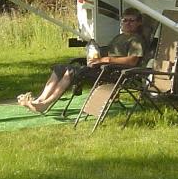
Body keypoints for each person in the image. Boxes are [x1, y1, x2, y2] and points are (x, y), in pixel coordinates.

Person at [18, 8, 147, 113]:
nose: (128, 23)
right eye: (125, 20)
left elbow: (132, 61)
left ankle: (45, 104)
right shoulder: (120, 37)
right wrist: (95, 54)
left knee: (70, 72)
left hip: (115, 73)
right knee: (59, 68)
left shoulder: (136, 40)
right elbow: (107, 52)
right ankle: (39, 100)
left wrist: (106, 60)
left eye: (132, 21)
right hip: (103, 68)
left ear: (139, 23)